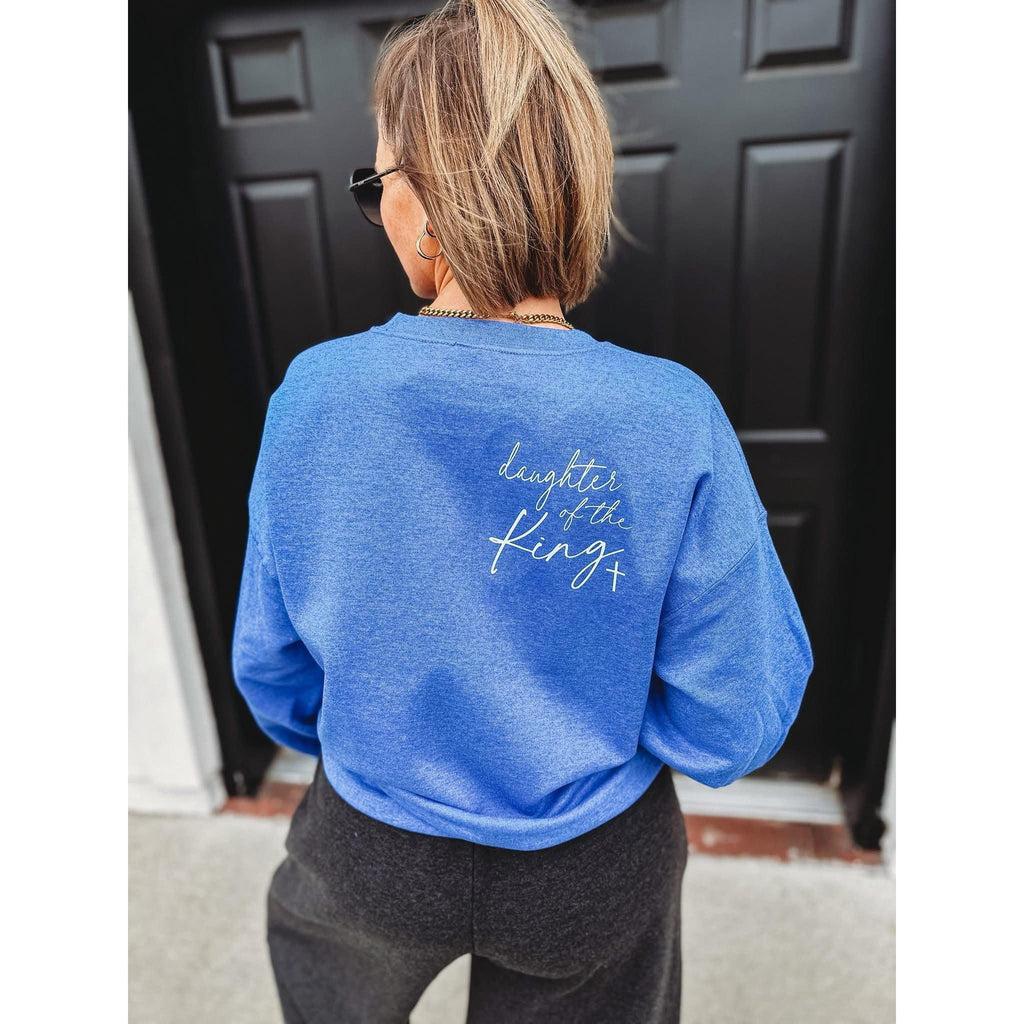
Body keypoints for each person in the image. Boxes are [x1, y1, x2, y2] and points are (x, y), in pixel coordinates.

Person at [230, 1, 814, 1021]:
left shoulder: (315, 397)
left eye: (377, 183)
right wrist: (586, 715)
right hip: (589, 862)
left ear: (424, 202)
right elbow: (733, 715)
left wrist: (387, 729)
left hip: (370, 841)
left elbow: (273, 673)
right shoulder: (670, 416)